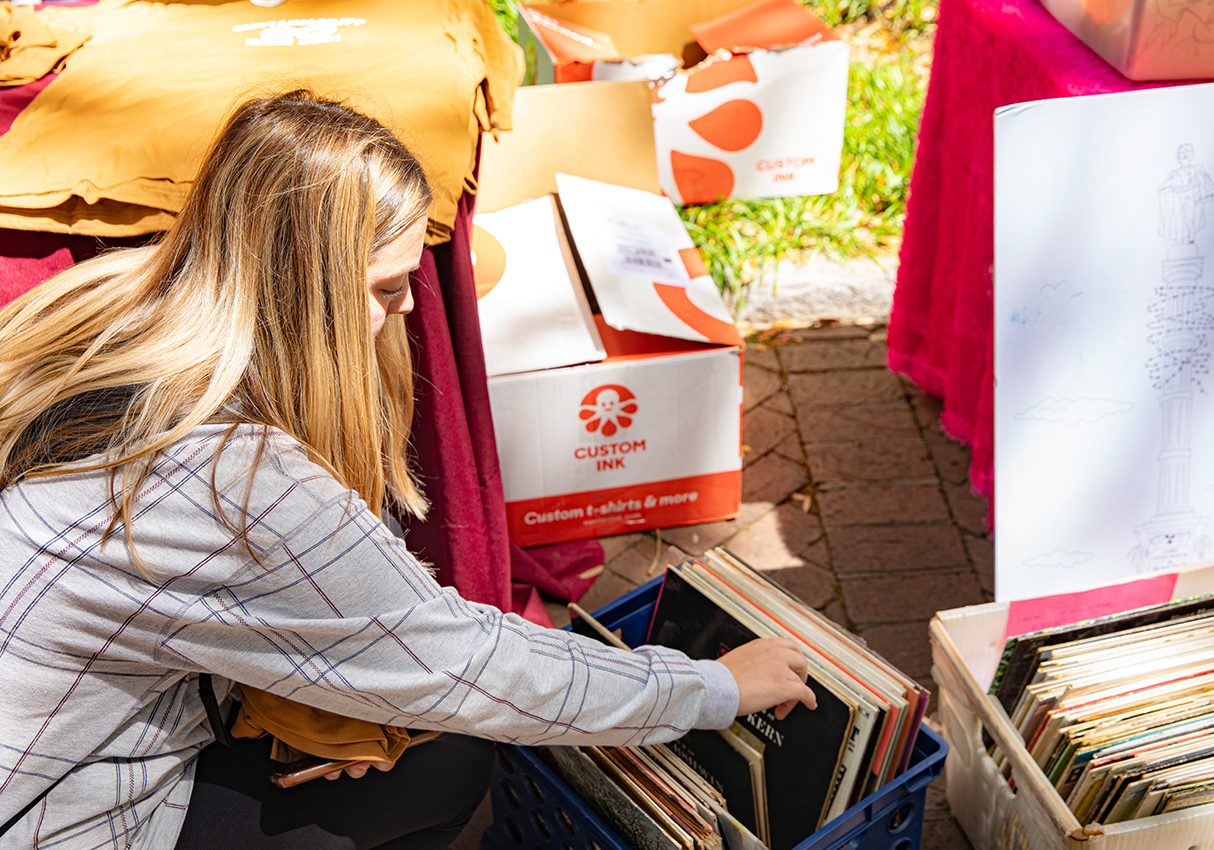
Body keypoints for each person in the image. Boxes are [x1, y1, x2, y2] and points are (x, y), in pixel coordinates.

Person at [0, 89, 816, 849]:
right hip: (60, 813)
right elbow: (468, 664)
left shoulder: (112, 304)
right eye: (387, 287)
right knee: (449, 755)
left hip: (55, 745)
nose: (408, 308)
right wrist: (711, 687)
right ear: (302, 289)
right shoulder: (234, 483)